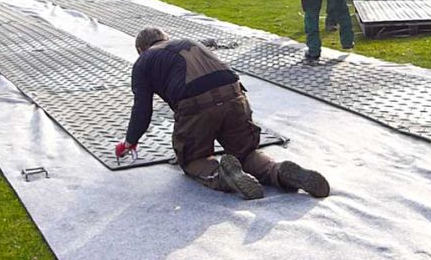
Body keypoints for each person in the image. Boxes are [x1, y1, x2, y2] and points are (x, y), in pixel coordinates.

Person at [114, 27, 330, 200]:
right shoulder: (190, 42)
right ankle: (280, 171)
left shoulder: (144, 61)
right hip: (235, 96)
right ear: (165, 37)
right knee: (246, 153)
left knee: (193, 160)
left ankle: (224, 175)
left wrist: (130, 141)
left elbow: (142, 109)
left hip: (195, 106)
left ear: (141, 50)